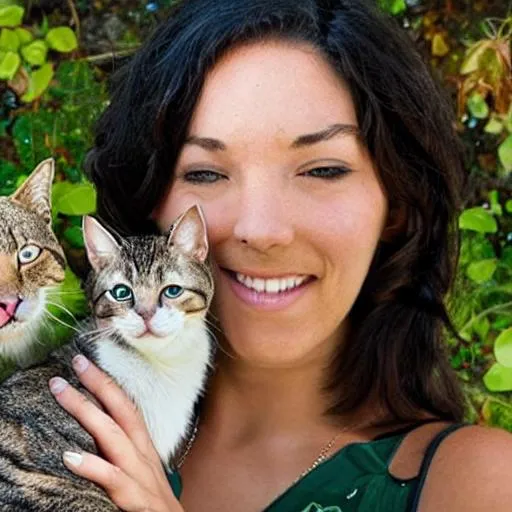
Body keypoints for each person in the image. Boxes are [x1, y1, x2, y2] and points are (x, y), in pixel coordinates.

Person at [48, 0, 512, 510]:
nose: (261, 231)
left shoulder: (480, 484)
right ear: (150, 198)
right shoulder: (47, 431)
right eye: (205, 173)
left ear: (397, 206)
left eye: (322, 170)